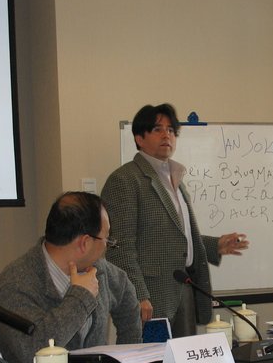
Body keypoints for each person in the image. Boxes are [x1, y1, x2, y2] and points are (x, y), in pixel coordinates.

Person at [101, 103, 249, 337]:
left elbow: (174, 237)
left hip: (183, 289)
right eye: (157, 129)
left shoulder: (175, 179)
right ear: (139, 138)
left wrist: (216, 245)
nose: (166, 135)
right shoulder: (125, 180)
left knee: (184, 358)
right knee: (152, 358)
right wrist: (138, 294)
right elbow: (119, 248)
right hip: (149, 298)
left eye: (171, 130)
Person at [0, 191, 141, 363]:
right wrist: (80, 297)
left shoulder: (99, 269)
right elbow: (33, 350)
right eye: (106, 239)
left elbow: (128, 301)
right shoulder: (16, 282)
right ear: (85, 243)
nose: (106, 246)